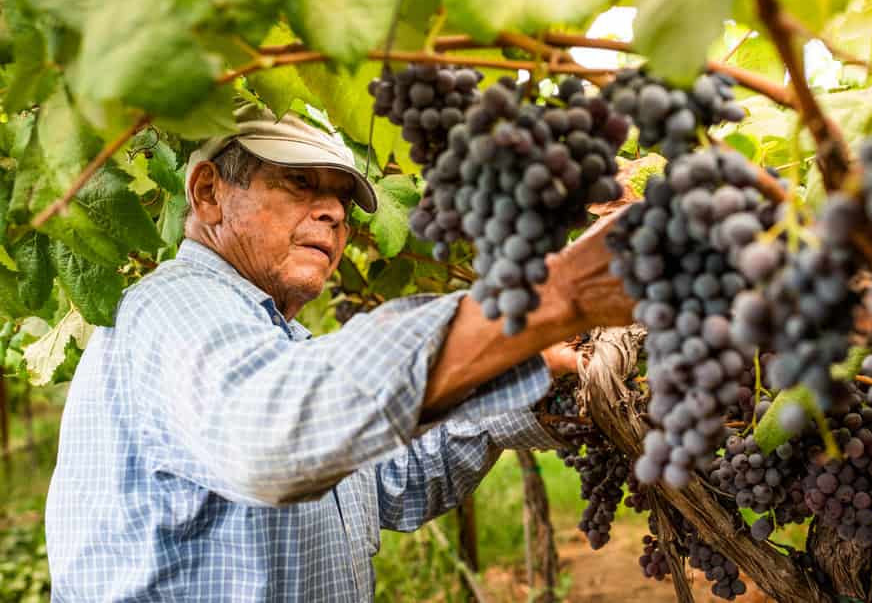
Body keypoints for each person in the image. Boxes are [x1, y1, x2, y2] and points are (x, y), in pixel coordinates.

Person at [44, 106, 634, 601]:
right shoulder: (172, 307)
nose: (332, 213)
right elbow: (271, 440)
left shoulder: (283, 347)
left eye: (342, 204)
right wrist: (554, 297)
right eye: (300, 184)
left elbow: (393, 481)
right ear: (208, 193)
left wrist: (535, 376)